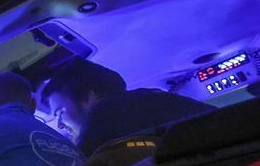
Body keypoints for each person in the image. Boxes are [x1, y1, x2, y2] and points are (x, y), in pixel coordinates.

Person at [41, 57, 213, 156]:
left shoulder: (104, 122)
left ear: (90, 97)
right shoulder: (158, 100)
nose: (60, 125)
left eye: (60, 113)